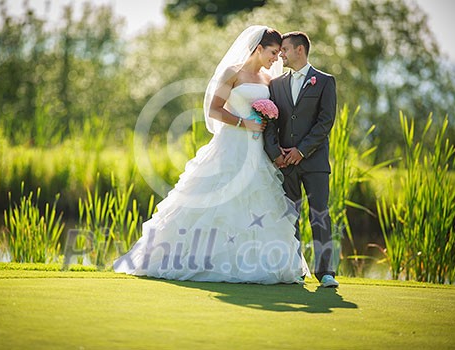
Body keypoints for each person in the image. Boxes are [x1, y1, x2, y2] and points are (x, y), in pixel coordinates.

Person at [114, 26, 309, 284]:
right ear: (259, 48)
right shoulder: (233, 73)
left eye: (278, 54)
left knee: (256, 203)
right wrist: (242, 123)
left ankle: (251, 264)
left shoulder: (268, 81)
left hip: (255, 152)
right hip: (230, 146)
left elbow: (273, 120)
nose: (276, 59)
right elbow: (215, 110)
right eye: (273, 52)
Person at [264, 31, 339, 287]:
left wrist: (302, 150)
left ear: (299, 50)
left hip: (315, 162)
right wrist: (276, 154)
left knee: (320, 214)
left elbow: (325, 121)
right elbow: (271, 122)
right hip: (286, 163)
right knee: (289, 217)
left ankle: (326, 272)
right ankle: (294, 268)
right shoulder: (276, 85)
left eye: (284, 49)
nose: (280, 54)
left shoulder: (325, 81)